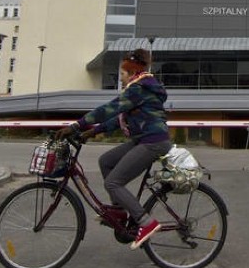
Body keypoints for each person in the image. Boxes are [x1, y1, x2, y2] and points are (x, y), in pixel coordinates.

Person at [57, 48, 171, 249]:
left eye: (122, 75)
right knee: (106, 161)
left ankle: (146, 223)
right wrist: (91, 132)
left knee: (113, 183)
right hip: (142, 139)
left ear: (132, 72)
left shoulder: (139, 89)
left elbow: (109, 109)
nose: (121, 79)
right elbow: (118, 119)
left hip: (153, 142)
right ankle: (119, 212)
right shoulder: (137, 90)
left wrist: (77, 124)